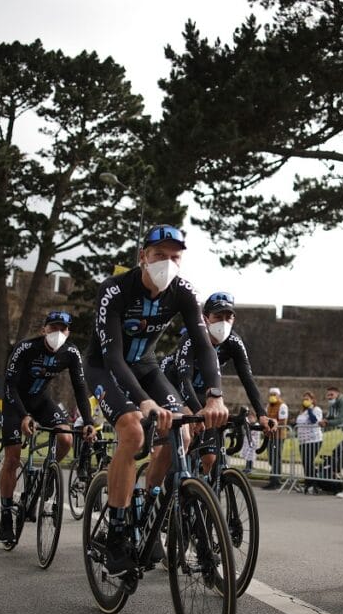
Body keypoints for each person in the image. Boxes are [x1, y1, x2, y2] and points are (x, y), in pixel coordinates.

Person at [82, 224, 227, 574]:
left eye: (175, 257)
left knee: (183, 433)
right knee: (133, 432)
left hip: (146, 366)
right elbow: (114, 357)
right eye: (159, 255)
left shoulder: (183, 292)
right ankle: (117, 531)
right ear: (143, 257)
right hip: (106, 367)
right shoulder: (114, 290)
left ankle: (147, 510)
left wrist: (215, 396)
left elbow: (204, 344)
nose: (167, 263)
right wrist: (144, 402)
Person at [0, 311, 95, 544]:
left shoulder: (70, 353)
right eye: (53, 328)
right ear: (44, 330)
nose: (58, 333)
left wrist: (89, 422)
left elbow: (80, 388)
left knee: (66, 439)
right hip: (16, 402)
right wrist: (23, 416)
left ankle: (45, 476)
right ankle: (5, 514)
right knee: (12, 458)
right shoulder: (25, 348)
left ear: (68, 332)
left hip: (41, 400)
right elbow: (9, 385)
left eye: (63, 329)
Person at [164, 291, 272, 478]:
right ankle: (172, 484)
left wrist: (262, 414)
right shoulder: (191, 337)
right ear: (206, 319)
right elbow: (184, 379)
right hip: (174, 385)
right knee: (183, 437)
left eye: (228, 317)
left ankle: (201, 495)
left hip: (203, 392)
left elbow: (247, 378)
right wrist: (196, 411)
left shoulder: (234, 342)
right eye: (218, 317)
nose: (223, 322)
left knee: (210, 459)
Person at [294, 391, 324, 493]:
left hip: (314, 440)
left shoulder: (316, 409)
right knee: (305, 463)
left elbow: (314, 420)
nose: (305, 401)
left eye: (307, 399)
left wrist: (310, 409)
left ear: (312, 400)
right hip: (303, 441)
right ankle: (308, 484)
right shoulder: (302, 411)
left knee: (309, 462)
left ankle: (313, 484)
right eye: (304, 399)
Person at [263, 387, 290, 490]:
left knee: (276, 458)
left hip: (278, 436)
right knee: (271, 457)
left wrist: (273, 424)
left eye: (274, 394)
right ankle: (273, 477)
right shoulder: (268, 406)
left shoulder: (282, 406)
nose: (272, 396)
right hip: (270, 435)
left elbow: (283, 421)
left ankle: (275, 480)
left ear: (279, 395)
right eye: (271, 394)